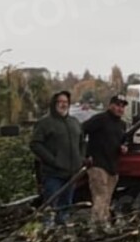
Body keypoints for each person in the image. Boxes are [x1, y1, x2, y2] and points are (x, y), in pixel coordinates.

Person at [30, 90, 84, 225]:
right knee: (50, 205)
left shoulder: (74, 122)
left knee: (66, 205)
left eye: (65, 102)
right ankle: (47, 233)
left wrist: (81, 158)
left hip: (72, 174)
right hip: (53, 174)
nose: (63, 104)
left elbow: (82, 142)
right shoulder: (45, 123)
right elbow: (35, 144)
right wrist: (53, 160)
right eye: (60, 102)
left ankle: (63, 231)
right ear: (54, 104)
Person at [82, 94, 129, 227]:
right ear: (110, 105)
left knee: (107, 199)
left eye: (122, 106)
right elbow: (81, 130)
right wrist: (85, 154)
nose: (120, 109)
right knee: (100, 197)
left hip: (112, 166)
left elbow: (123, 141)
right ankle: (97, 227)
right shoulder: (100, 119)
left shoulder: (122, 125)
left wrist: (124, 147)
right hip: (97, 164)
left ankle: (104, 226)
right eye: (117, 105)